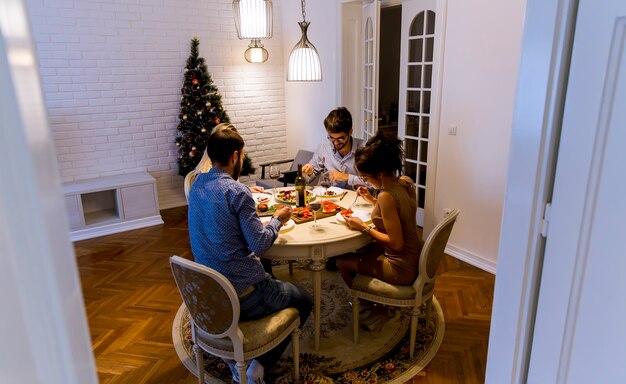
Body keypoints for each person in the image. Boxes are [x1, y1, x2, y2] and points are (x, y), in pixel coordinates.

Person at [188, 123, 313, 384]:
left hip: (210, 290)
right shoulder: (236, 192)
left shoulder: (197, 184)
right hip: (243, 293)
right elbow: (260, 244)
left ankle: (235, 357)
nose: (242, 160)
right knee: (304, 300)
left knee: (266, 271)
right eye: (242, 156)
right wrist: (277, 219)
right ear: (235, 156)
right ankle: (258, 366)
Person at [337, 131, 423, 328]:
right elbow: (399, 214)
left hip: (400, 266)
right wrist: (371, 199)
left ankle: (373, 306)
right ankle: (377, 301)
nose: (365, 181)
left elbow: (396, 243)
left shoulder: (386, 197)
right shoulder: (405, 182)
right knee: (361, 250)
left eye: (366, 177)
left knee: (342, 262)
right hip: (414, 256)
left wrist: (363, 228)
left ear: (380, 173)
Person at [301, 107, 367, 190]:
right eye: (331, 137)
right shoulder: (323, 147)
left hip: (357, 199)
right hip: (329, 197)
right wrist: (308, 173)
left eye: (340, 138)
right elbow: (308, 178)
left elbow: (376, 184)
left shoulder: (365, 150)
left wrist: (347, 177)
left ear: (350, 132)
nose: (335, 143)